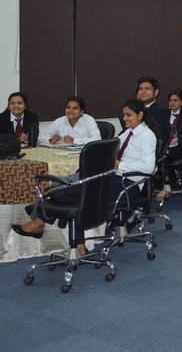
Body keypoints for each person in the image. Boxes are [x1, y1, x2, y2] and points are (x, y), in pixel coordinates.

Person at [14, 99, 158, 252]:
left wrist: (119, 165)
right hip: (112, 177)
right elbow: (109, 149)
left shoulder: (147, 136)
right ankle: (77, 243)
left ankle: (41, 221)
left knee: (72, 192)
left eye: (128, 115)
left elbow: (149, 167)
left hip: (128, 184)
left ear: (140, 115)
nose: (124, 119)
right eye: (124, 115)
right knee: (72, 189)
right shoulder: (127, 133)